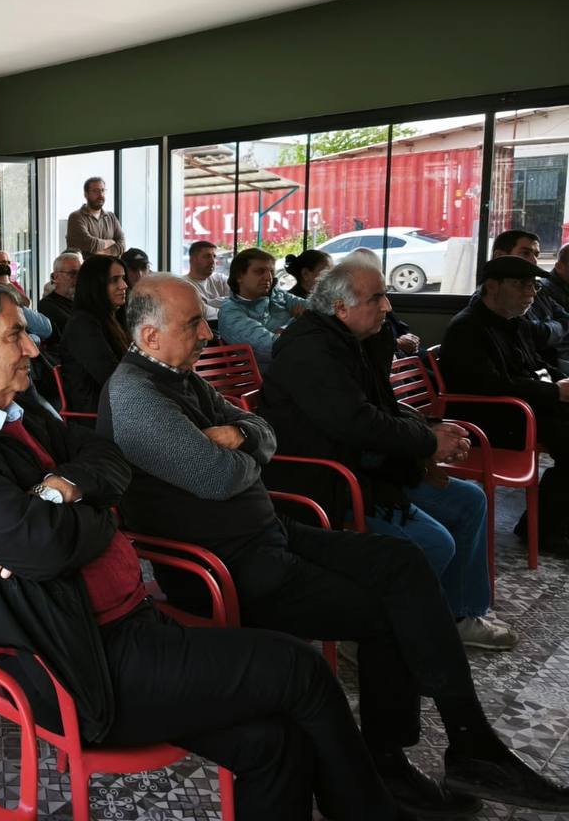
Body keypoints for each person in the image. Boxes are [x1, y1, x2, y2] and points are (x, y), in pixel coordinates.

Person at [0, 277, 414, 821]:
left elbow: (108, 459)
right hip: (78, 666)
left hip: (129, 626)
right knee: (301, 670)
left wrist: (65, 489)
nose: (33, 348)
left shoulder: (16, 409)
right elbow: (49, 547)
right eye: (16, 335)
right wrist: (96, 512)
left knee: (274, 742)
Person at [98, 275, 568, 814]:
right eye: (194, 324)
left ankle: (469, 741)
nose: (208, 332)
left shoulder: (175, 376)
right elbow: (220, 477)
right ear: (151, 336)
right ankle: (393, 764)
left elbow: (261, 429)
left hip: (266, 533)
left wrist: (241, 437)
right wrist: (245, 449)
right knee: (389, 612)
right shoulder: (136, 397)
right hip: (225, 567)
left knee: (402, 561)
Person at [256, 260, 512, 647]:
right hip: (328, 479)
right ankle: (368, 631)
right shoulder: (309, 350)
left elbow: (382, 410)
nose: (387, 306)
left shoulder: (354, 341)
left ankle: (458, 613)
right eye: (376, 298)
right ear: (340, 308)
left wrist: (429, 431)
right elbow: (357, 423)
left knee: (469, 501)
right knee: (434, 542)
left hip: (366, 463)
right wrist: (427, 443)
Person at [439, 255, 569, 555]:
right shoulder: (467, 328)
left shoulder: (514, 322)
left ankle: (546, 522)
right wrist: (554, 392)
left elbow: (535, 366)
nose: (530, 293)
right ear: (493, 286)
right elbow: (491, 386)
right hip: (489, 420)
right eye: (521, 285)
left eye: (534, 286)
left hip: (522, 409)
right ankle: (544, 530)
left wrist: (559, 382)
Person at [59, 254, 129, 415]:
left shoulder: (110, 318)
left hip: (117, 408)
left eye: (123, 278)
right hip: (97, 417)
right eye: (115, 280)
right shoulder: (82, 325)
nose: (124, 285)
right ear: (95, 285)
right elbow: (112, 377)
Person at [491, 229, 569, 373]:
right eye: (525, 253)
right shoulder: (497, 301)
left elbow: (565, 320)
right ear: (500, 256)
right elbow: (536, 335)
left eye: (536, 255)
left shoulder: (538, 289)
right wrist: (553, 328)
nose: (534, 261)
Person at [219, 247, 306, 368]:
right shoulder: (230, 312)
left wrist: (284, 331)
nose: (268, 277)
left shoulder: (277, 294)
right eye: (259, 271)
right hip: (274, 373)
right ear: (239, 276)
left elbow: (317, 310)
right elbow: (273, 348)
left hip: (303, 361)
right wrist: (298, 321)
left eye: (271, 271)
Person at [66, 177, 125, 257]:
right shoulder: (76, 217)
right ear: (86, 194)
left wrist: (102, 253)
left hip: (109, 265)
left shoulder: (111, 217)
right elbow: (90, 244)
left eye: (102, 190)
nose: (100, 195)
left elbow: (122, 244)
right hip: (86, 265)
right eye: (95, 191)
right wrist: (110, 242)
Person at [37, 251, 81, 338]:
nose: (78, 278)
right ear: (56, 277)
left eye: (81, 273)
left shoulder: (83, 300)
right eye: (72, 274)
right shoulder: (47, 305)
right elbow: (75, 330)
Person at [184, 240, 232, 321]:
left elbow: (239, 300)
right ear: (193, 259)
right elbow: (202, 312)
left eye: (214, 256)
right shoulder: (184, 285)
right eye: (207, 256)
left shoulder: (220, 279)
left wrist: (209, 302)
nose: (212, 261)